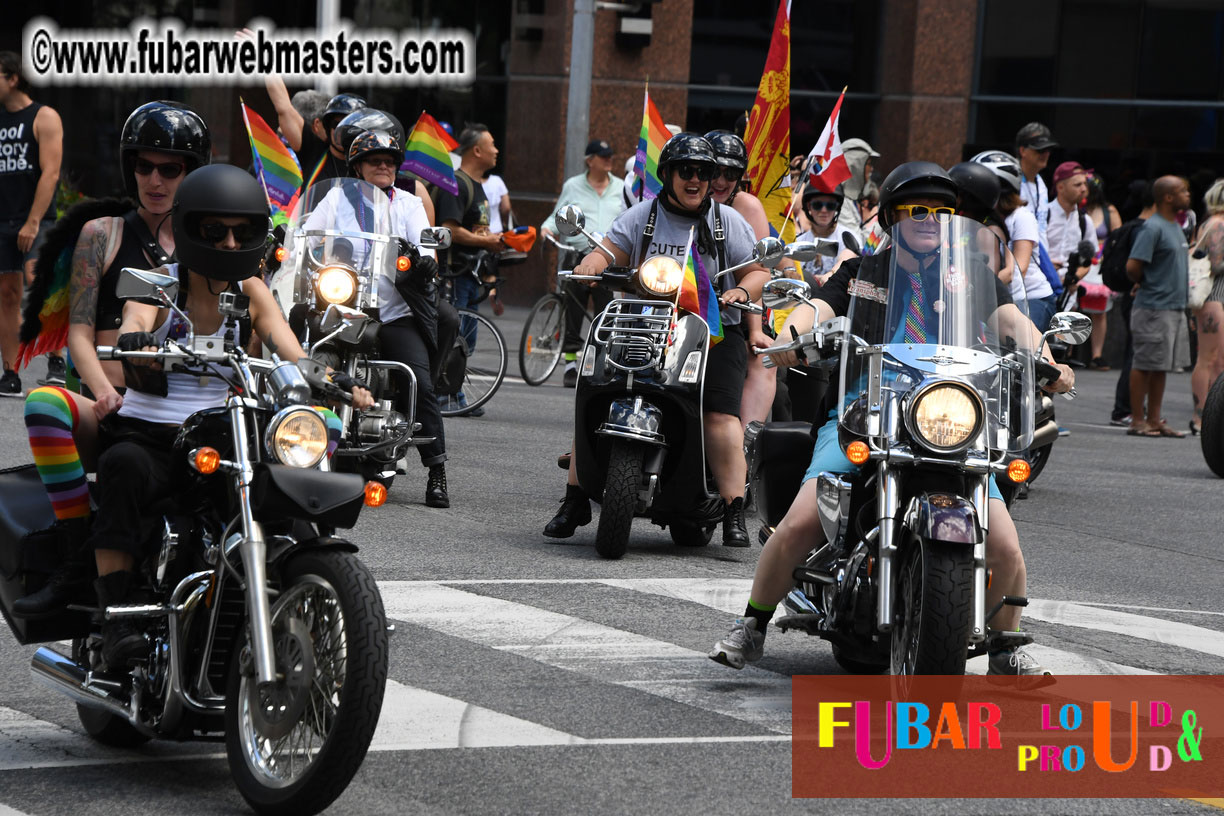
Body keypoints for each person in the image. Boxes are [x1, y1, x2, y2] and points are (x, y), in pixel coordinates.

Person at [709, 161, 1075, 676]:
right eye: (917, 211)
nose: (930, 220)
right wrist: (792, 336)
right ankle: (752, 625)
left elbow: (1010, 320)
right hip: (866, 412)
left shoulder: (970, 275)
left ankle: (1004, 645)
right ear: (893, 217)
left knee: (1006, 544)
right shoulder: (862, 273)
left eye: (941, 212)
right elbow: (816, 307)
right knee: (799, 523)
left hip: (948, 415)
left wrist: (1049, 359)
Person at [85, 164, 373, 666]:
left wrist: (336, 381)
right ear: (190, 227)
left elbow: (290, 348)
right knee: (122, 467)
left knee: (284, 487)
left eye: (242, 231)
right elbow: (135, 318)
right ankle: (116, 618)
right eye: (215, 231)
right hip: (152, 434)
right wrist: (135, 339)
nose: (230, 242)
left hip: (225, 428)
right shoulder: (158, 286)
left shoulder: (251, 290)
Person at [12, 102, 211, 620]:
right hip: (112, 409)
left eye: (170, 168)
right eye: (144, 166)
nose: (155, 179)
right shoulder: (102, 234)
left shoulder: (214, 242)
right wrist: (102, 390)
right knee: (43, 404)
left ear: (192, 172)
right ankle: (76, 553)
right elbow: (79, 334)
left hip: (191, 418)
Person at [542, 133, 770, 547]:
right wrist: (589, 264)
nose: (696, 179)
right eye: (687, 171)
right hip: (645, 322)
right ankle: (574, 498)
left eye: (704, 172)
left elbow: (757, 271)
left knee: (719, 414)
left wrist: (742, 291)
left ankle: (733, 509)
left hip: (716, 331)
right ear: (667, 174)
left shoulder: (727, 221)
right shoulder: (641, 216)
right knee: (595, 394)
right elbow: (607, 251)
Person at [304, 129, 452, 507]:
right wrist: (290, 239)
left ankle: (436, 470)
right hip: (343, 308)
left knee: (418, 379)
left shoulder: (407, 202)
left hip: (393, 311)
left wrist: (422, 259)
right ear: (358, 167)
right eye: (374, 160)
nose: (383, 165)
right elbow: (308, 234)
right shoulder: (337, 197)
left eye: (389, 160)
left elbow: (426, 248)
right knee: (311, 366)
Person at [704, 130, 777, 430]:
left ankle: (744, 444)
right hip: (682, 304)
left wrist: (754, 330)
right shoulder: (682, 197)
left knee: (762, 359)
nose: (721, 181)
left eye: (730, 173)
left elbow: (757, 271)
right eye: (715, 171)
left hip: (741, 308)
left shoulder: (747, 207)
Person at [0, 51, 63, 397]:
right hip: (2, 219)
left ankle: (56, 360)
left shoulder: (43, 117)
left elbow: (51, 173)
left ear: (12, 78)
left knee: (42, 282)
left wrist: (33, 221)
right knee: (7, 294)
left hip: (36, 220)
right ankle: (9, 373)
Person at [541, 138, 625, 387]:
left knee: (605, 311)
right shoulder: (573, 186)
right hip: (577, 255)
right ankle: (569, 364)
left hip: (608, 258)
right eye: (603, 156)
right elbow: (557, 215)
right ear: (590, 161)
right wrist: (546, 230)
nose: (609, 159)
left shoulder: (621, 187)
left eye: (610, 155)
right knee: (573, 309)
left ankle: (601, 361)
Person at [432, 123, 504, 387]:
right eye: (492, 145)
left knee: (467, 340)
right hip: (454, 274)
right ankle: (448, 394)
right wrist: (486, 240)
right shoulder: (457, 184)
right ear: (476, 150)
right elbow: (449, 229)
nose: (497, 151)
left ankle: (454, 391)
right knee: (456, 337)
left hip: (471, 274)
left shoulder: (476, 184)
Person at [1125, 176, 1192, 438]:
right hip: (1153, 307)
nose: (1188, 195)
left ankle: (1154, 419)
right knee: (1143, 363)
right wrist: (1145, 282)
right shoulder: (1152, 228)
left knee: (1160, 365)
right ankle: (1137, 420)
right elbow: (1133, 267)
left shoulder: (1174, 225)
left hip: (1173, 307)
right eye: (1183, 191)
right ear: (1167, 197)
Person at [974, 150, 1056, 332]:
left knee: (1021, 352)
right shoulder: (980, 221)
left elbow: (1018, 270)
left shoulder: (1021, 217)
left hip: (1032, 297)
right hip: (998, 298)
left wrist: (974, 291)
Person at [1048, 162, 1104, 365]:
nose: (1083, 189)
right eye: (1077, 184)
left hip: (1068, 293)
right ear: (1060, 186)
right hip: (1042, 289)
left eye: (1084, 184)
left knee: (1060, 354)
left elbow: (1088, 259)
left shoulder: (1084, 220)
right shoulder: (1043, 214)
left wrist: (1075, 277)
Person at [1110, 182, 1156, 427]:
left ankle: (1129, 408)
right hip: (1137, 296)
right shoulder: (1145, 230)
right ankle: (1125, 409)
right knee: (1137, 353)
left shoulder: (1133, 226)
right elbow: (1135, 266)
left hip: (1129, 296)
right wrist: (1140, 282)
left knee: (1135, 351)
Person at [1189, 179, 1224, 435]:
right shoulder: (1217, 224)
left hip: (1216, 298)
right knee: (1212, 359)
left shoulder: (1212, 222)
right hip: (1213, 297)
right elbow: (1218, 263)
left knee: (1216, 359)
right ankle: (1202, 418)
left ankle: (1208, 419)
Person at [795, 186, 861, 288]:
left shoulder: (849, 238)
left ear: (837, 208)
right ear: (809, 206)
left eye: (830, 205)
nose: (824, 210)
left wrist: (831, 274)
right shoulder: (797, 242)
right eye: (817, 205)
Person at [1015, 122, 1057, 252]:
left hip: (1038, 260)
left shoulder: (1041, 184)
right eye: (1040, 149)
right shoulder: (1011, 181)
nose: (1045, 154)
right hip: (1016, 257)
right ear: (1022, 151)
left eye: (1048, 149)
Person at [834, 138, 880, 240]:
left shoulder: (852, 198)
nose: (871, 168)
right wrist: (876, 220)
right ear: (856, 165)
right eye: (868, 163)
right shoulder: (840, 200)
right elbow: (859, 246)